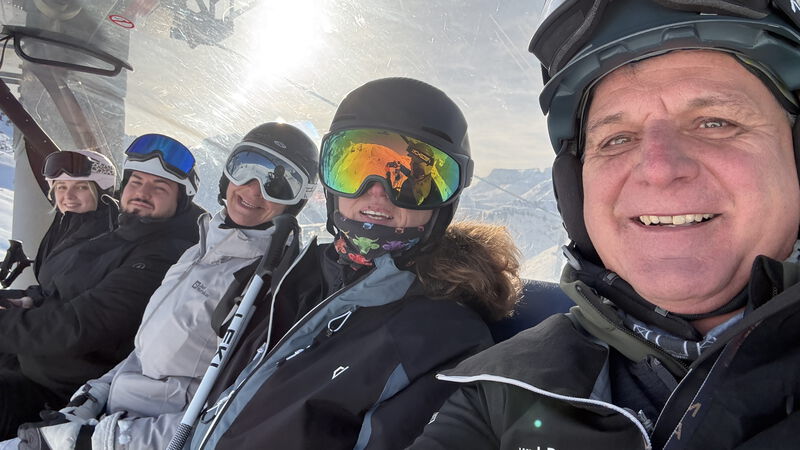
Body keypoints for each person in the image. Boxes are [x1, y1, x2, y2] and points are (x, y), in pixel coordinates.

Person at [410, 1, 800, 449]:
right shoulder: (501, 392)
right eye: (617, 139)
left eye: (715, 122)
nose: (658, 168)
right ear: (575, 190)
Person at [179, 77, 522, 449]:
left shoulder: (441, 339)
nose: (376, 192)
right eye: (356, 167)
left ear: (443, 202)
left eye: (407, 179)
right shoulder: (288, 275)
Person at [7, 123, 319, 449]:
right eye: (246, 168)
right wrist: (95, 393)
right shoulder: (201, 248)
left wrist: (97, 441)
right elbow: (147, 350)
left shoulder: (269, 284)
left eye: (279, 184)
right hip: (109, 415)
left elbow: (229, 415)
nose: (254, 190)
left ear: (297, 200)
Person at [0, 134, 205, 438]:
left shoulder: (164, 257)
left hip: (57, 393)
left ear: (181, 201)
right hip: (29, 361)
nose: (142, 192)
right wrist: (27, 300)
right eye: (136, 181)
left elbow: (79, 325)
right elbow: (59, 287)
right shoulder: (126, 231)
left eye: (159, 187)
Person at [0, 150, 118, 310]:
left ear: (101, 192)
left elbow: (77, 311)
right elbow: (50, 293)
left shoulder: (107, 239)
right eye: (61, 187)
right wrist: (24, 301)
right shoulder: (66, 225)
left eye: (81, 187)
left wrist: (18, 315)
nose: (68, 196)